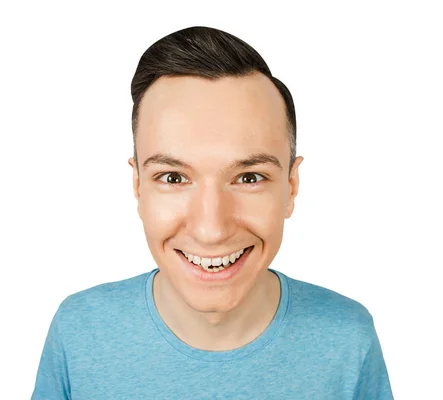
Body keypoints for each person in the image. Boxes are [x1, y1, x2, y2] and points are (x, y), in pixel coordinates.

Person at [31, 26, 394, 399]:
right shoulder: (79, 333)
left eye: (249, 177)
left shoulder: (348, 339)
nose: (211, 229)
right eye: (173, 177)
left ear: (291, 186)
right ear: (138, 186)